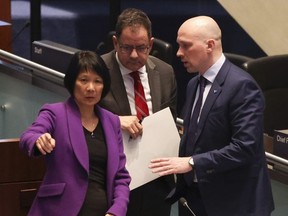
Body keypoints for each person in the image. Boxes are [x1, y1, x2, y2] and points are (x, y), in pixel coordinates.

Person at [149, 16, 274, 216]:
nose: (179, 53)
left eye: (186, 46)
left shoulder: (242, 86)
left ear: (209, 45)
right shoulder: (193, 84)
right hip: (196, 198)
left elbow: (245, 147)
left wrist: (191, 162)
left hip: (233, 203)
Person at [19, 50, 131, 216]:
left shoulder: (112, 121)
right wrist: (38, 140)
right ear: (72, 82)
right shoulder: (55, 113)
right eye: (84, 80)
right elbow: (28, 137)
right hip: (58, 210)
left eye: (97, 81)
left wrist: (116, 211)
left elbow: (120, 176)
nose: (91, 88)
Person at [99, 8, 177, 216]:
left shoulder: (165, 72)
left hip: (157, 182)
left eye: (141, 48)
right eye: (126, 48)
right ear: (115, 43)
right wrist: (114, 121)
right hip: (113, 180)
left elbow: (170, 121)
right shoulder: (96, 70)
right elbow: (77, 119)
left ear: (151, 44)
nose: (134, 55)